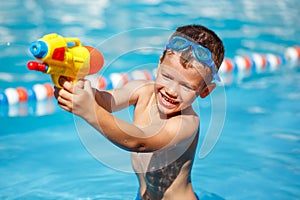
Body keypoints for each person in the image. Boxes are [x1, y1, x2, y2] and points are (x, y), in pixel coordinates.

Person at [55, 24, 225, 200]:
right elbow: (104, 101)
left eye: (186, 86)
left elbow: (139, 142)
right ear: (159, 64)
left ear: (205, 91)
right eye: (167, 76)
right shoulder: (142, 91)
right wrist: (76, 87)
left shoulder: (186, 123)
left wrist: (90, 111)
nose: (172, 90)